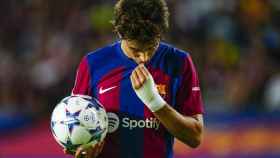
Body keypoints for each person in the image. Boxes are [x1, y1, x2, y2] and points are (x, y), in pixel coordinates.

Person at [67, 0, 204, 157]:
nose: (143, 58)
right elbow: (75, 129)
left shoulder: (179, 62)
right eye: (135, 50)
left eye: (151, 47)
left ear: (160, 33)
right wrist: (81, 151)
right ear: (120, 34)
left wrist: (154, 101)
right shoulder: (93, 64)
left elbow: (195, 137)